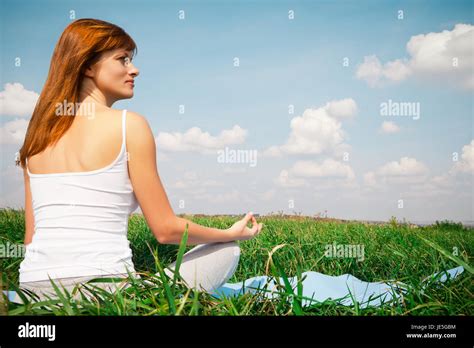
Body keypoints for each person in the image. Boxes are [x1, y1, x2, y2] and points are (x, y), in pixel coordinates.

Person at [12, 18, 263, 303]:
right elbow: (165, 230)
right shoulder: (129, 125)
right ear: (88, 66)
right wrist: (229, 233)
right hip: (105, 294)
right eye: (123, 59)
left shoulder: (35, 141)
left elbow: (31, 240)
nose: (134, 69)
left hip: (33, 292)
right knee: (227, 249)